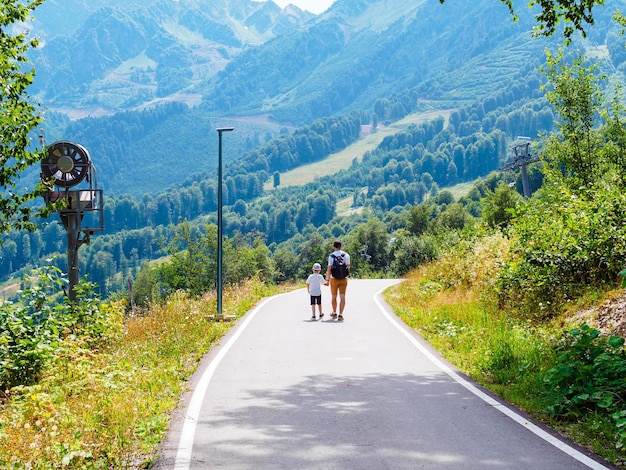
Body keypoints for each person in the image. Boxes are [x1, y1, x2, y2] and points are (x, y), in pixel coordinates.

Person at [326, 240, 350, 321]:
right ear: (341, 246)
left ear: (334, 247)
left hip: (334, 278)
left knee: (334, 296)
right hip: (344, 278)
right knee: (342, 296)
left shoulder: (331, 256)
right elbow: (348, 267)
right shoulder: (346, 255)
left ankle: (334, 312)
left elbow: (329, 268)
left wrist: (327, 279)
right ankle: (341, 314)